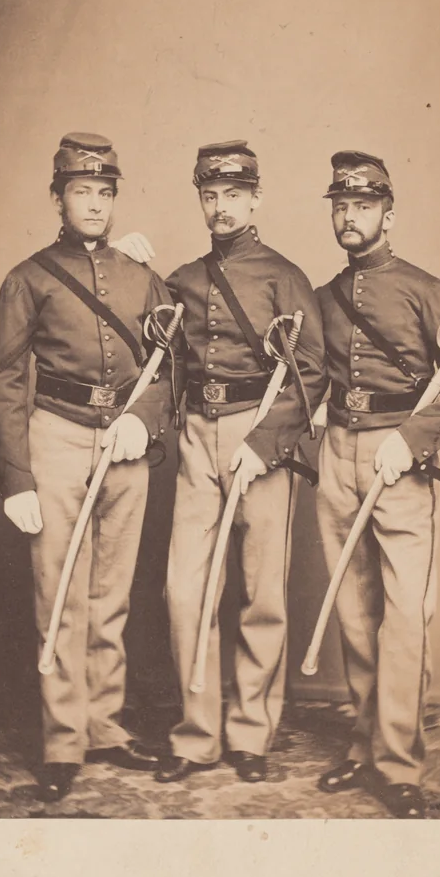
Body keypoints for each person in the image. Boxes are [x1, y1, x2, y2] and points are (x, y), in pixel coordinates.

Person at [0, 132, 174, 803]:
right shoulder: (29, 278)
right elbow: (7, 379)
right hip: (57, 438)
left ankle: (104, 726)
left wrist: (142, 418)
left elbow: (169, 364)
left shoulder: (142, 276)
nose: (94, 204)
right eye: (81, 191)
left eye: (104, 192)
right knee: (60, 592)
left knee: (111, 593)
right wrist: (17, 479)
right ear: (57, 198)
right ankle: (64, 740)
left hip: (125, 444)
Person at [312, 150, 440, 818]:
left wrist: (411, 439)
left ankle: (398, 764)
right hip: (338, 455)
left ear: (388, 214)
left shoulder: (426, 290)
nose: (350, 217)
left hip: (400, 461)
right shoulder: (325, 296)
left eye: (363, 206)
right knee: (355, 614)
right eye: (341, 206)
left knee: (405, 616)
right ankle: (364, 746)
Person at [154, 141, 328, 784]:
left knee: (262, 594)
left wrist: (265, 442)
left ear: (255, 199)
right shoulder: (182, 279)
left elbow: (313, 372)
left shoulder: (285, 277)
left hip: (261, 438)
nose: (220, 207)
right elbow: (158, 356)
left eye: (233, 195)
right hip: (198, 436)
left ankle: (252, 735)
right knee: (185, 590)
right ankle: (195, 737)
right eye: (210, 196)